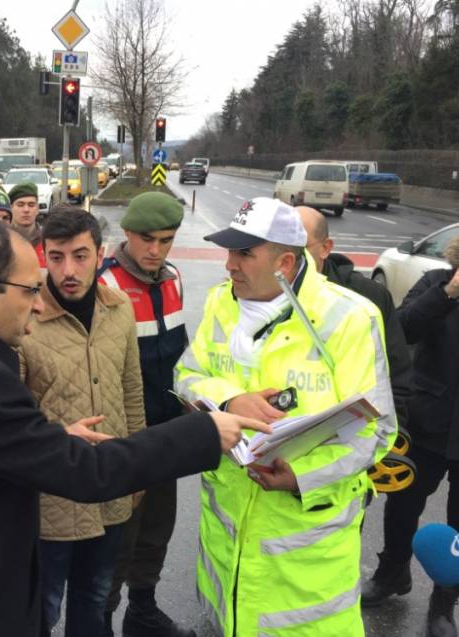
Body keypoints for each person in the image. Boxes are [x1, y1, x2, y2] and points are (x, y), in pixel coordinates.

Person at [0, 220, 270, 637]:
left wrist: (49, 440)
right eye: (29, 291)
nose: (39, 305)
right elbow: (87, 472)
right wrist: (204, 432)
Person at [175, 198, 396, 637]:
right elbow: (188, 375)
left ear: (285, 262)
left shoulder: (349, 318)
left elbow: (378, 429)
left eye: (244, 254)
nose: (229, 265)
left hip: (305, 567)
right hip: (228, 550)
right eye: (229, 251)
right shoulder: (222, 302)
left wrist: (300, 474)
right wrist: (231, 399)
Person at [18, 207, 145, 637]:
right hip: (50, 498)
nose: (68, 270)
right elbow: (12, 414)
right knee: (42, 607)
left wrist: (139, 464)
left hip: (109, 486)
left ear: (100, 253)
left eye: (80, 255)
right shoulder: (25, 316)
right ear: (43, 255)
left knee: (95, 601)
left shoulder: (120, 308)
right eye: (56, 258)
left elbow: (131, 389)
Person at [362, 218, 459, 636]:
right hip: (428, 422)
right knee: (402, 505)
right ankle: (393, 572)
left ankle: (444, 604)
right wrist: (450, 294)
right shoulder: (437, 281)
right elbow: (403, 328)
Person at [99, 193, 192, 637]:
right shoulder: (106, 286)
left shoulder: (172, 278)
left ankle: (142, 611)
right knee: (118, 539)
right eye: (146, 239)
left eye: (166, 240)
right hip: (125, 439)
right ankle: (101, 620)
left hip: (166, 433)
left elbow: (179, 354)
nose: (155, 250)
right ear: (128, 234)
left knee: (157, 530)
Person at [296, 206, 411, 443]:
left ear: (325, 248)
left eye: (299, 248)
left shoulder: (368, 297)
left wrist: (384, 443)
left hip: (344, 448)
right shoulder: (259, 292)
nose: (286, 258)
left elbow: (395, 375)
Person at [9, 181, 45, 265]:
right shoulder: (2, 241)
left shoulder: (47, 240)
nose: (26, 210)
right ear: (11, 208)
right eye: (20, 205)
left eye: (31, 205)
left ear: (37, 209)